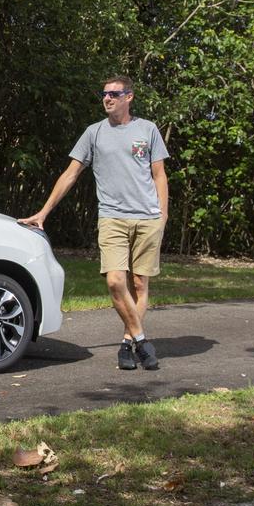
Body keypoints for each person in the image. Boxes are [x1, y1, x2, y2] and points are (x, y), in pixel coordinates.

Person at [19, 75, 169, 370]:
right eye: (104, 93)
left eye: (114, 93)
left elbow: (159, 174)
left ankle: (127, 344)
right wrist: (43, 212)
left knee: (139, 284)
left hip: (148, 218)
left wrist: (163, 215)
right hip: (112, 217)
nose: (107, 98)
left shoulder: (147, 130)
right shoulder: (94, 133)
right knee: (115, 282)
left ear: (129, 97)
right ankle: (141, 339)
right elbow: (70, 174)